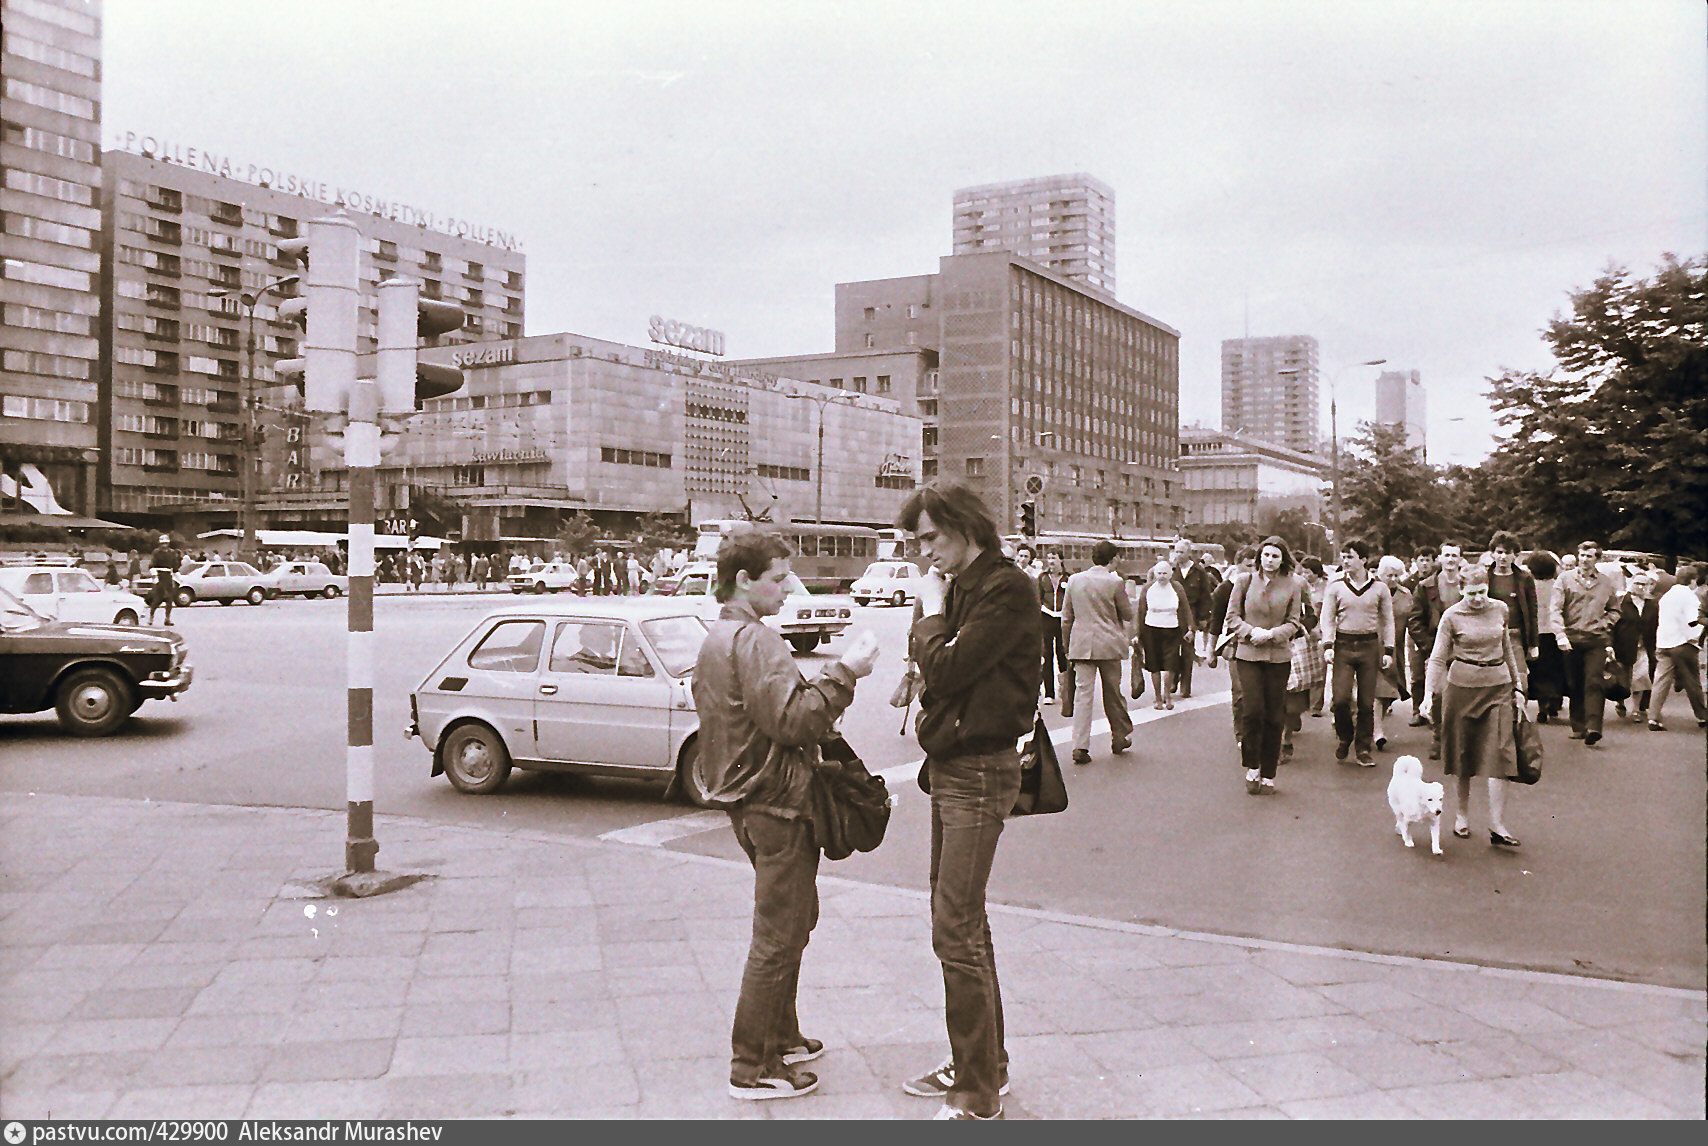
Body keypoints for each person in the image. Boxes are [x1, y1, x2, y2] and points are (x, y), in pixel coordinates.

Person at [690, 528, 878, 1102]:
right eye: (776, 579)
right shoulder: (757, 640)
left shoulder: (718, 637)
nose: (786, 589)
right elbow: (795, 722)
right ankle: (752, 1064)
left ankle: (783, 1035)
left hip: (750, 801)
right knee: (777, 935)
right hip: (779, 802)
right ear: (743, 580)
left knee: (794, 921)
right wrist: (846, 671)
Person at [898, 483, 1040, 1120]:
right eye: (919, 542)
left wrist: (929, 616)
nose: (926, 552)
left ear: (964, 526)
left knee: (954, 925)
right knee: (960, 919)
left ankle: (977, 1094)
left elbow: (952, 669)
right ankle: (984, 1064)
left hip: (981, 769)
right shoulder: (962, 586)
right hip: (952, 764)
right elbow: (936, 661)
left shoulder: (1007, 587)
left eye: (931, 537)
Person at [1421, 565, 1526, 847]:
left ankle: (1497, 824)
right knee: (1463, 754)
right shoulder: (1452, 616)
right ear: (1461, 590)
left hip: (1498, 686)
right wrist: (1428, 694)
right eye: (1472, 593)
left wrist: (1518, 687)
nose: (1478, 598)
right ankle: (1462, 816)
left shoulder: (1500, 609)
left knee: (1501, 753)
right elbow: (1438, 659)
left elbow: (1507, 650)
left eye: (1482, 592)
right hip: (1463, 688)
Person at [1222, 537, 1306, 795]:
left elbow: (1295, 622)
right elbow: (1232, 617)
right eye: (1266, 555)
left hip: (1278, 656)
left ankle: (1269, 772)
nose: (1270, 561)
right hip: (1248, 654)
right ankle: (1252, 766)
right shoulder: (1244, 581)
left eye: (1275, 556)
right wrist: (1252, 632)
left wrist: (1271, 635)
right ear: (1259, 557)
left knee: (1274, 715)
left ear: (1283, 560)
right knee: (1253, 710)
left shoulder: (1293, 585)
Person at [1320, 540, 1395, 767]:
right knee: (1341, 699)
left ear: (1363, 559)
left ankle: (1363, 748)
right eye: (1343, 556)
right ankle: (1345, 736)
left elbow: (1388, 620)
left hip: (1369, 645)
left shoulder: (1379, 588)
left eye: (1350, 556)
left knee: (1366, 701)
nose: (1345, 561)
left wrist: (1388, 650)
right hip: (1343, 644)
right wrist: (1328, 645)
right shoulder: (1335, 586)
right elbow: (1327, 618)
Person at [1063, 539, 1137, 764]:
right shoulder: (1115, 582)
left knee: (1083, 696)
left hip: (1081, 645)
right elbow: (1127, 615)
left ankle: (1080, 746)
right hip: (1109, 645)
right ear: (1113, 559)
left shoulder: (1074, 580)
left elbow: (1067, 618)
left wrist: (1068, 647)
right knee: (1112, 693)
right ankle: (1119, 735)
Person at [1554, 540, 1622, 747]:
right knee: (1575, 683)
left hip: (1595, 639)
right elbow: (1555, 609)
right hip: (1572, 638)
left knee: (1594, 681)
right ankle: (1578, 726)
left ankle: (1594, 727)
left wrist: (1605, 622)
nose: (1584, 560)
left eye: (1589, 556)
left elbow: (1615, 610)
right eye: (1581, 556)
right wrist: (1560, 634)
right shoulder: (1565, 579)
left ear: (1597, 559)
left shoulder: (1606, 582)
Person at [1412, 539, 1468, 757]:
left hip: (1464, 648)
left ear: (1460, 559)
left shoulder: (1468, 584)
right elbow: (1415, 620)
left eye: (1455, 555)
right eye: (1447, 555)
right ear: (1440, 559)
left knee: (1462, 696)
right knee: (1438, 695)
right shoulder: (1426, 586)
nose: (1451, 560)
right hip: (1437, 647)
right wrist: (1428, 647)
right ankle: (1439, 738)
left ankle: (1461, 740)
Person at [1208, 546, 1259, 745]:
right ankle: (1242, 733)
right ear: (1237, 565)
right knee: (1240, 691)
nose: (1252, 570)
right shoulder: (1225, 589)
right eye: (1248, 566)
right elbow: (1216, 621)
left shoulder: (1262, 586)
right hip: (1235, 644)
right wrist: (1211, 650)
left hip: (1261, 643)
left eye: (1255, 566)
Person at [1647, 565, 1707, 729]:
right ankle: (1702, 716)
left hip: (1664, 642)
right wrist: (1696, 635)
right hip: (1683, 642)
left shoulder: (1667, 596)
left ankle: (1653, 717)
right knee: (1692, 681)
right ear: (1693, 580)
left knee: (1661, 680)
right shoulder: (1690, 596)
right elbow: (1692, 620)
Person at [1134, 557, 1193, 711]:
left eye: (1164, 573)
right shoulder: (1147, 588)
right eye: (1159, 573)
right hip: (1151, 629)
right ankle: (1157, 697)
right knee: (1154, 665)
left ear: (1170, 574)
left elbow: (1185, 608)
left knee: (1170, 664)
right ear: (1154, 574)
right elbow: (1141, 611)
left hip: (1172, 629)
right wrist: (1136, 634)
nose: (1161, 576)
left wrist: (1189, 629)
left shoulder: (1177, 587)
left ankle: (1167, 695)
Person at [1373, 555, 1414, 749]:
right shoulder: (1371, 591)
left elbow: (1413, 620)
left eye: (1397, 575)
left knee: (1389, 693)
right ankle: (1377, 731)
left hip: (1395, 649)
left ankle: (1373, 725)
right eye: (1389, 575)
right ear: (1380, 574)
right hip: (1371, 646)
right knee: (1377, 691)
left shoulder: (1405, 595)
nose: (1393, 579)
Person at [1169, 539, 1214, 699]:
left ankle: (1185, 686)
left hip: (1192, 614)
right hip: (1172, 614)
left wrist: (1203, 617)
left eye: (1181, 552)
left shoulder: (1199, 571)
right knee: (1172, 649)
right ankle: (1173, 678)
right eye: (1176, 551)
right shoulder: (1170, 570)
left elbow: (1205, 596)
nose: (1178, 555)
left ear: (1189, 553)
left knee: (1188, 651)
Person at [1525, 551, 1567, 722]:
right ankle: (1555, 701)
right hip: (1556, 632)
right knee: (1557, 669)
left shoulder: (1529, 586)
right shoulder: (1558, 585)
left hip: (1537, 633)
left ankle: (1542, 705)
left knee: (1538, 670)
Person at [1296, 556, 1330, 717]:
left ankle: (1316, 705)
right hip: (1305, 631)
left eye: (1308, 572)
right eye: (1303, 572)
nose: (1305, 575)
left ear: (1316, 572)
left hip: (1322, 632)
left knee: (1320, 668)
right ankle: (1305, 703)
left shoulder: (1327, 588)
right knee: (1304, 667)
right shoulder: (1301, 587)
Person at [1037, 552, 1070, 706]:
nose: (1050, 561)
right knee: (1047, 654)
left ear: (1060, 560)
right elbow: (1038, 598)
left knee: (1062, 653)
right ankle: (1049, 693)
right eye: (1049, 558)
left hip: (1062, 618)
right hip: (1046, 616)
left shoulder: (1068, 578)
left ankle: (1066, 689)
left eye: (1053, 558)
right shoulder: (1042, 578)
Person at [145, 534, 179, 625]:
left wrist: (178, 577)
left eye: (166, 543)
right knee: (157, 599)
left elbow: (175, 567)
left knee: (169, 599)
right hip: (159, 576)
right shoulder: (156, 552)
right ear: (160, 543)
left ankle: (167, 619)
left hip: (168, 576)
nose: (164, 545)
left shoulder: (172, 552)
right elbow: (152, 565)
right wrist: (155, 576)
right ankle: (151, 617)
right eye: (163, 543)